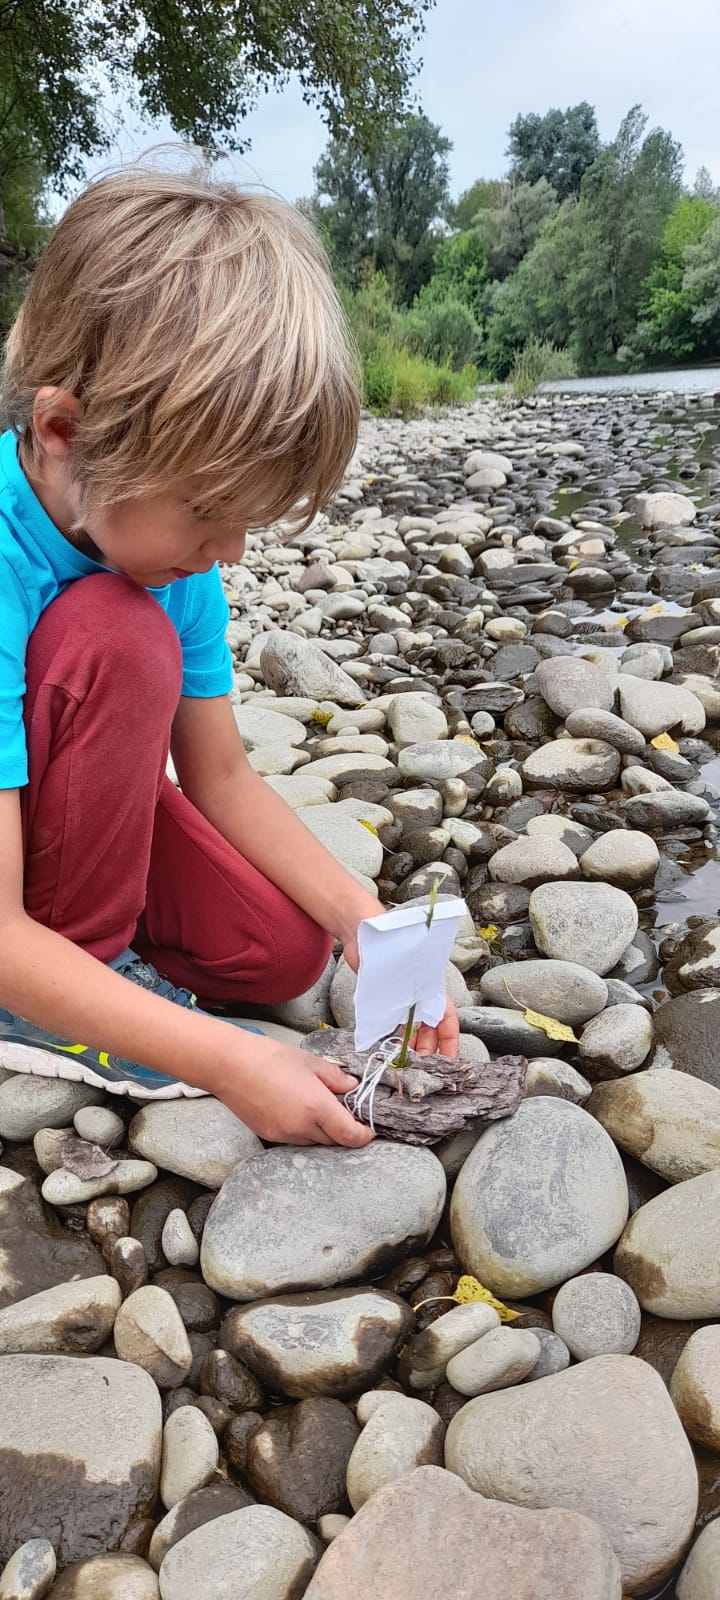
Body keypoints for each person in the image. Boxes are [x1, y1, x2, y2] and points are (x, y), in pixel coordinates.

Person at [0, 160, 458, 1149]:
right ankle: (52, 1002)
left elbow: (220, 773)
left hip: (60, 813)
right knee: (117, 631)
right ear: (65, 431)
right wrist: (218, 1056)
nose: (234, 552)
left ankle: (101, 968)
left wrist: (362, 918)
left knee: (285, 949)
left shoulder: (169, 547)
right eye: (211, 512)